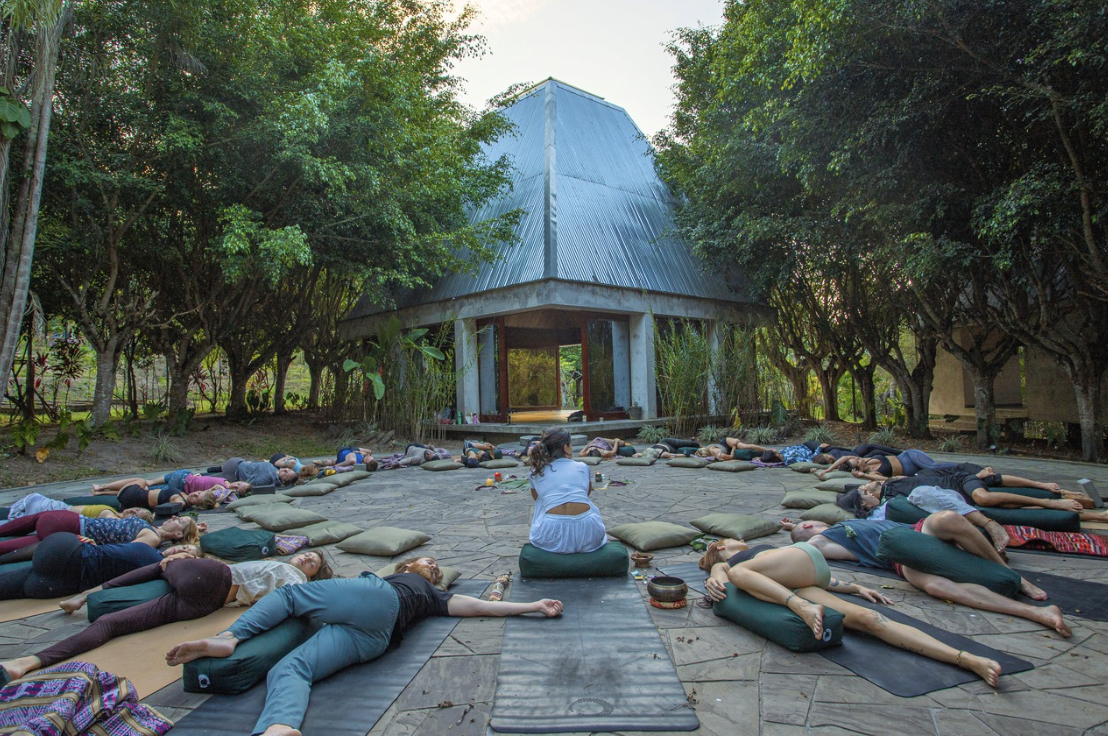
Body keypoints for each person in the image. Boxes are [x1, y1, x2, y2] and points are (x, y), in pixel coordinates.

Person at [165, 555, 564, 736]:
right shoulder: (410, 582)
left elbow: (479, 607)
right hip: (376, 639)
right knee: (288, 669)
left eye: (437, 568)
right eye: (429, 563)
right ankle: (279, 726)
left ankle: (229, 638)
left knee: (290, 598)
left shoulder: (427, 592)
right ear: (407, 566)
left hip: (378, 614)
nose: (435, 567)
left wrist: (531, 605)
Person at [701, 540, 1003, 687]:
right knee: (869, 620)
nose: (739, 541)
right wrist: (854, 590)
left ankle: (800, 607)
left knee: (742, 571)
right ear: (721, 545)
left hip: (802, 561)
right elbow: (720, 572)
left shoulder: (748, 560)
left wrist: (853, 587)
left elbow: (735, 574)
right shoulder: (728, 560)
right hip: (797, 581)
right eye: (731, 542)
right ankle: (965, 658)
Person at [0, 551, 332, 682]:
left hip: (210, 582)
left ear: (313, 575)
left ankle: (86, 595)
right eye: (306, 554)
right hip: (204, 600)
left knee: (162, 562)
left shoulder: (293, 577)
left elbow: (285, 599)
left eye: (312, 562)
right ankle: (27, 662)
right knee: (110, 624)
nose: (305, 559)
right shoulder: (278, 566)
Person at [785, 515, 1070, 637]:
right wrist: (796, 534)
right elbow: (807, 550)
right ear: (810, 524)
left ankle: (1014, 577)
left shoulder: (849, 523)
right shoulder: (822, 541)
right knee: (935, 586)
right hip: (902, 558)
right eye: (813, 523)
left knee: (945, 518)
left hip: (917, 530)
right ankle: (1038, 614)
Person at [0, 533, 163, 601]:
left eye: (188, 551)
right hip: (66, 556)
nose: (182, 550)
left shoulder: (158, 565)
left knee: (13, 584)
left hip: (68, 570)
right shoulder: (153, 552)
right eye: (184, 547)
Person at [527, 427, 606, 554]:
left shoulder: (535, 471)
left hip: (550, 534)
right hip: (588, 532)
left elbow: (536, 497)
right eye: (571, 444)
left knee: (543, 501)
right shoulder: (583, 467)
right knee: (583, 501)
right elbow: (587, 494)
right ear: (565, 447)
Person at [0, 511, 201, 558]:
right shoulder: (150, 527)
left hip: (74, 527)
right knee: (16, 544)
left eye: (179, 521)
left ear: (176, 534)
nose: (174, 517)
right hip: (70, 525)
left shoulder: (153, 538)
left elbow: (124, 551)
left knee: (21, 532)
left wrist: (94, 546)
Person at [3, 492, 153, 523]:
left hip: (49, 511)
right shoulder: (112, 513)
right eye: (137, 508)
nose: (133, 510)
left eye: (135, 514)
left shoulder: (111, 518)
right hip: (49, 508)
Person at [817, 449, 962, 480]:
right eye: (856, 461)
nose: (858, 458)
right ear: (858, 468)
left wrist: (829, 469)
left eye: (856, 458)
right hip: (913, 470)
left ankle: (962, 466)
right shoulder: (871, 473)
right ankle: (960, 473)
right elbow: (886, 480)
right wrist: (863, 476)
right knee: (936, 474)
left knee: (932, 466)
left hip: (909, 456)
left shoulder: (866, 460)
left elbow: (844, 458)